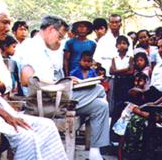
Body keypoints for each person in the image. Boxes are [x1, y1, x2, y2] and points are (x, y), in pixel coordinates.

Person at [0, 0, 68, 160]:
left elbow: (4, 87)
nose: (8, 28)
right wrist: (7, 116)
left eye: (9, 23)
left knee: (47, 126)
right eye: (4, 22)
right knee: (25, 135)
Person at [20, 15, 109, 160]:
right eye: (59, 36)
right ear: (50, 30)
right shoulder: (32, 47)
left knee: (101, 105)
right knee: (98, 90)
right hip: (44, 100)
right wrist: (60, 84)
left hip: (55, 96)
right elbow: (26, 80)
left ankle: (94, 153)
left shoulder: (44, 47)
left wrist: (66, 80)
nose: (60, 41)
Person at [109, 35, 134, 143]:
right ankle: (113, 137)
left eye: (124, 43)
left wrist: (118, 71)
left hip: (128, 82)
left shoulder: (130, 58)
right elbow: (111, 71)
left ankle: (123, 137)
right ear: (116, 46)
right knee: (116, 106)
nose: (122, 45)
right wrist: (124, 69)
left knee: (125, 105)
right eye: (119, 43)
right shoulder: (114, 58)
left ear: (128, 45)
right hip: (118, 82)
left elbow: (131, 71)